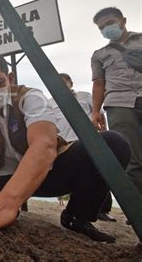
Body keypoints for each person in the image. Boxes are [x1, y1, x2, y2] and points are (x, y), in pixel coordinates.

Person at [0, 52, 131, 243]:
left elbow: (44, 146)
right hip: (0, 179)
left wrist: (7, 202)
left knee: (112, 143)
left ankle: (77, 217)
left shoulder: (31, 97)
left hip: (48, 175)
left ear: (10, 79)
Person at [49, 73, 115, 221]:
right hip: (67, 144)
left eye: (64, 83)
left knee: (100, 173)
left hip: (88, 140)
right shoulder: (49, 103)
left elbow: (99, 113)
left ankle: (102, 210)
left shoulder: (84, 97)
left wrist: (103, 131)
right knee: (77, 176)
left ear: (71, 84)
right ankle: (74, 211)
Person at [91, 7, 142, 197]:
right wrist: (96, 111)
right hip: (119, 103)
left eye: (110, 23)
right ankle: (137, 208)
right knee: (130, 156)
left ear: (123, 20)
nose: (106, 29)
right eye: (101, 27)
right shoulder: (99, 54)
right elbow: (99, 83)